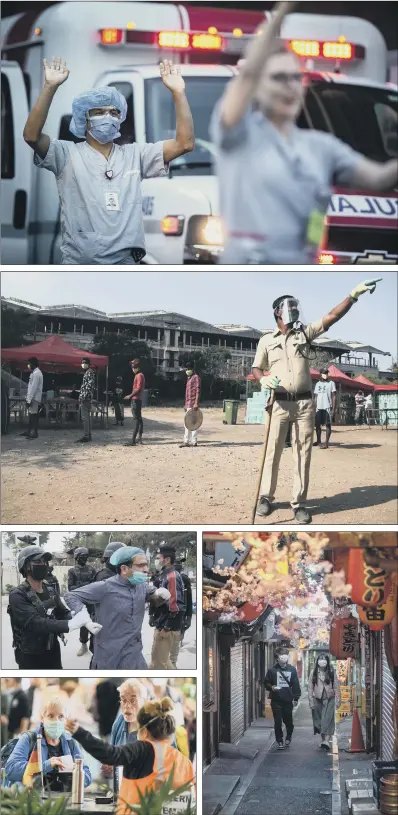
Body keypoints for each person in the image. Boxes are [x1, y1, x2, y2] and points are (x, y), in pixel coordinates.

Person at [210, 1, 398, 266]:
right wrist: (284, 11)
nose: (290, 87)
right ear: (256, 86)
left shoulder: (322, 147)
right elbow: (249, 71)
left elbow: (378, 178)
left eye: (295, 78)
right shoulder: (238, 136)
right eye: (278, 78)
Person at [23, 57, 194, 265]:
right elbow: (31, 136)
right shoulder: (66, 154)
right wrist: (50, 87)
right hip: (79, 265)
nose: (108, 117)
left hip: (126, 264)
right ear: (84, 119)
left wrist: (178, 93)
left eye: (114, 112)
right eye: (99, 112)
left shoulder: (135, 155)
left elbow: (184, 144)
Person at [252, 278, 383, 523]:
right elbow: (257, 368)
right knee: (273, 452)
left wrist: (353, 295)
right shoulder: (266, 340)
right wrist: (262, 380)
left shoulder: (305, 333)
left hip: (303, 404)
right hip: (278, 403)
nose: (295, 310)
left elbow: (332, 316)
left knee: (303, 453)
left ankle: (299, 503)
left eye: (296, 306)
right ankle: (265, 498)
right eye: (290, 307)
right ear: (277, 312)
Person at [65, 697, 195, 814]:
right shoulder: (185, 762)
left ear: (144, 730)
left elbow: (111, 754)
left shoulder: (143, 748)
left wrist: (79, 732)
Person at [65, 546, 171, 669]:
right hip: (109, 656)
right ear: (124, 569)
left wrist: (160, 595)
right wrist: (84, 618)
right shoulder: (105, 587)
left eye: (146, 565)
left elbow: (153, 596)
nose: (146, 569)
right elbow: (71, 595)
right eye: (141, 565)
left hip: (134, 654)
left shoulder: (141, 586)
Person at [7, 546, 95, 669]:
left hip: (52, 648)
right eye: (38, 561)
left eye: (45, 561)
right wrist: (69, 625)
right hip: (30, 655)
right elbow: (35, 623)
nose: (43, 565)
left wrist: (79, 617)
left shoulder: (50, 589)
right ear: (26, 566)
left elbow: (62, 612)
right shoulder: (17, 595)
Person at [4, 696, 91, 790]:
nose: (56, 721)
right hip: (33, 799)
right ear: (42, 718)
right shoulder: (29, 739)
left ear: (66, 719)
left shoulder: (70, 741)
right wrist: (46, 765)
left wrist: (74, 773)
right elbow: (11, 770)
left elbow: (87, 776)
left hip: (61, 801)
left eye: (61, 716)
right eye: (51, 716)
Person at [150, 545, 186, 670]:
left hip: (167, 627)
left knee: (159, 664)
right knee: (160, 660)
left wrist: (167, 627)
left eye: (158, 558)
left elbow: (175, 604)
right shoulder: (164, 575)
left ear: (167, 560)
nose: (157, 560)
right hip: (162, 623)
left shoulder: (172, 577)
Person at [264, 647, 301, 750]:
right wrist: (272, 687)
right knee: (278, 722)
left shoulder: (292, 669)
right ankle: (279, 741)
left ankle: (288, 736)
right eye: (282, 656)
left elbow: (295, 684)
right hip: (276, 700)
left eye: (285, 656)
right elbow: (266, 682)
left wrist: (296, 698)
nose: (284, 658)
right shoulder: (272, 670)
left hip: (288, 700)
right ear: (277, 658)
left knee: (288, 721)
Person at [67, 547, 96, 657]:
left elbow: (95, 586)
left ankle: (94, 647)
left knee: (94, 623)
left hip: (92, 602)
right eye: (81, 557)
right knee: (83, 624)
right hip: (80, 602)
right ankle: (84, 645)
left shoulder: (92, 570)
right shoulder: (72, 571)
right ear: (76, 558)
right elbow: (71, 587)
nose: (83, 559)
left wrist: (84, 587)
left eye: (85, 557)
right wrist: (87, 587)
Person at [308, 653, 340, 750]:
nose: (322, 661)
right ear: (317, 661)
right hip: (317, 698)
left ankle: (326, 740)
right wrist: (311, 701)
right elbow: (310, 688)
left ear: (327, 661)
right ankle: (323, 740)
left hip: (329, 698)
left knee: (328, 720)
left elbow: (336, 686)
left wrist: (338, 699)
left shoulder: (331, 671)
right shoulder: (313, 672)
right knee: (318, 721)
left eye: (324, 659)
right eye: (320, 659)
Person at [174, 557, 193, 662]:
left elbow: (189, 598)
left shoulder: (184, 579)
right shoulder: (165, 578)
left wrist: (189, 616)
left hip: (181, 613)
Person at [20, 357, 43, 440]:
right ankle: (29, 430)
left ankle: (34, 432)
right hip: (32, 397)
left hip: (34, 398)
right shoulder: (34, 373)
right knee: (31, 415)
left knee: (34, 415)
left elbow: (34, 388)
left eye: (29, 363)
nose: (28, 365)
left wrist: (29, 400)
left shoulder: (37, 373)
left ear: (33, 364)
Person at [123, 359, 145, 446]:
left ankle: (133, 440)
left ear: (138, 367)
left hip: (136, 399)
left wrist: (130, 396)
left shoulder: (139, 375)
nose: (133, 368)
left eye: (134, 367)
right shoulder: (139, 375)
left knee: (136, 419)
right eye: (132, 367)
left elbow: (138, 388)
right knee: (139, 419)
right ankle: (139, 439)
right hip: (137, 399)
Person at [313, 368, 337, 449]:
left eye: (326, 373)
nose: (325, 374)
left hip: (327, 406)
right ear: (320, 374)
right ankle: (318, 441)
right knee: (317, 425)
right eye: (324, 373)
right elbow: (315, 397)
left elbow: (334, 396)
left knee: (328, 425)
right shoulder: (317, 384)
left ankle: (326, 443)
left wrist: (333, 410)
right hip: (318, 407)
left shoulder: (331, 383)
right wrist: (314, 408)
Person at [180, 363, 201, 448]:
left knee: (193, 422)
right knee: (187, 422)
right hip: (188, 403)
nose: (187, 370)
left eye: (188, 369)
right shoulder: (189, 378)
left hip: (193, 403)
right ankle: (188, 441)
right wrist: (185, 404)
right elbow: (187, 393)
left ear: (192, 369)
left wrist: (196, 403)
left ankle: (192, 441)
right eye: (186, 369)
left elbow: (197, 391)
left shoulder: (196, 377)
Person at [76, 358, 96, 443]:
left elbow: (88, 386)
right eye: (82, 363)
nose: (83, 364)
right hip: (87, 398)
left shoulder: (89, 373)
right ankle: (88, 435)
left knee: (85, 418)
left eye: (84, 363)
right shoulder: (89, 372)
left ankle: (86, 435)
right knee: (87, 417)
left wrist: (82, 397)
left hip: (85, 398)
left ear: (88, 364)